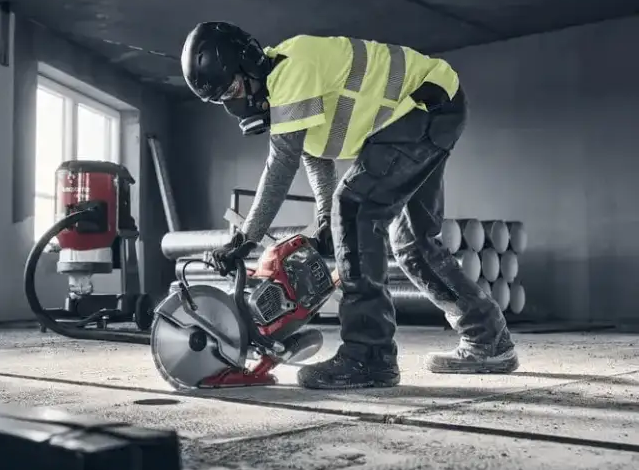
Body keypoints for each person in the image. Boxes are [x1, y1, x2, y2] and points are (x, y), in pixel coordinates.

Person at [180, 21, 518, 390]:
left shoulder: (293, 70)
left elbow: (281, 165)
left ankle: (369, 356)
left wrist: (244, 238)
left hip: (424, 105)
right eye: (222, 98)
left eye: (231, 88)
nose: (234, 102)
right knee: (413, 243)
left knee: (355, 209)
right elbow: (315, 155)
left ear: (246, 62)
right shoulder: (286, 86)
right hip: (435, 108)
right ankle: (489, 340)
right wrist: (325, 216)